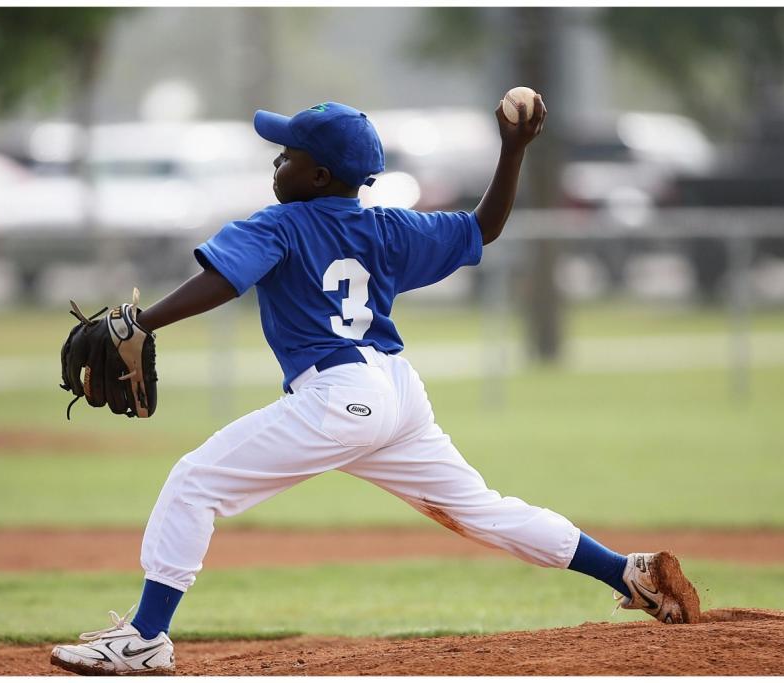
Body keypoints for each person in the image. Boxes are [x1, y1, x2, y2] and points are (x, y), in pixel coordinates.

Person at [50, 97, 698, 676]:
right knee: (481, 508)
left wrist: (140, 319)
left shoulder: (280, 224)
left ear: (319, 176)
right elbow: (485, 227)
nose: (276, 163)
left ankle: (144, 637)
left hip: (338, 397)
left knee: (196, 481)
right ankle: (627, 571)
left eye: (288, 155)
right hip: (397, 393)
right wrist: (513, 149)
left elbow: (225, 280)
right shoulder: (389, 226)